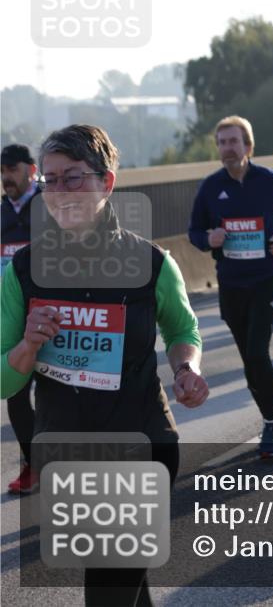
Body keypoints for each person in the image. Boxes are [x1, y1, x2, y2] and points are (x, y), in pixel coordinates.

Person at [2, 124, 208, 606]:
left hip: (141, 442)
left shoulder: (152, 263)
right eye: (49, 180)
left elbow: (183, 331)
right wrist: (27, 349)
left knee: (108, 589)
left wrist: (185, 370)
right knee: (122, 582)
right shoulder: (24, 270)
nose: (59, 192)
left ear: (107, 182)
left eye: (73, 178)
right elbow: (3, 377)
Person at [188, 115, 273, 458]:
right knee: (248, 358)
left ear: (248, 146)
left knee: (256, 351)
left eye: (233, 141)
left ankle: (271, 422)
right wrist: (209, 237)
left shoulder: (268, 180)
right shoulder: (210, 187)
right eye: (222, 142)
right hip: (232, 282)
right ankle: (269, 416)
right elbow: (194, 233)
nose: (227, 148)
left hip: (267, 278)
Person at [1, 144, 40, 494]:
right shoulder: (0, 214)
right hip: (14, 319)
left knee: (59, 394)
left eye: (12, 169)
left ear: (30, 170)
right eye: (2, 170)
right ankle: (33, 464)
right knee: (15, 394)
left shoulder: (51, 205)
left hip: (55, 316)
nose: (5, 177)